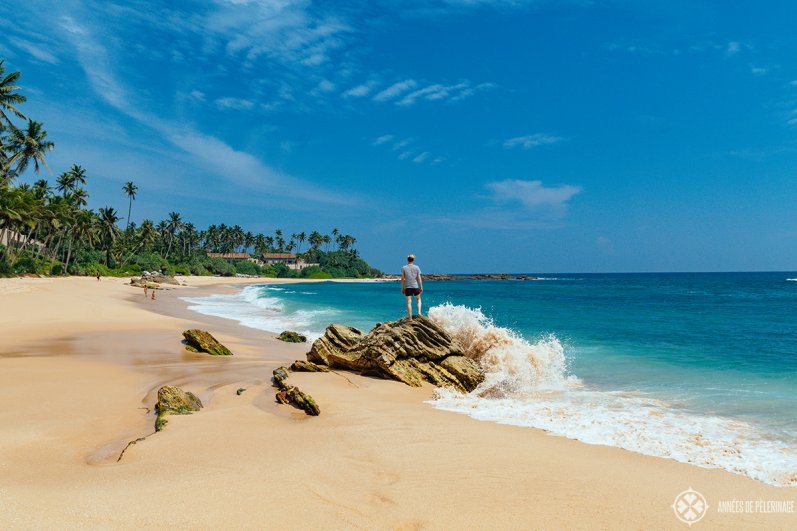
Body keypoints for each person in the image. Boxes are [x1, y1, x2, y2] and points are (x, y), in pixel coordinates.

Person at [401, 254, 423, 320]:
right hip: (415, 286)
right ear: (413, 260)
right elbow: (419, 278)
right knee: (418, 299)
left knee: (408, 302)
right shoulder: (417, 267)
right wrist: (421, 286)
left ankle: (410, 318)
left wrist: (402, 288)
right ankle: (419, 312)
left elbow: (402, 279)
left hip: (407, 287)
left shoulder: (404, 268)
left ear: (407, 259)